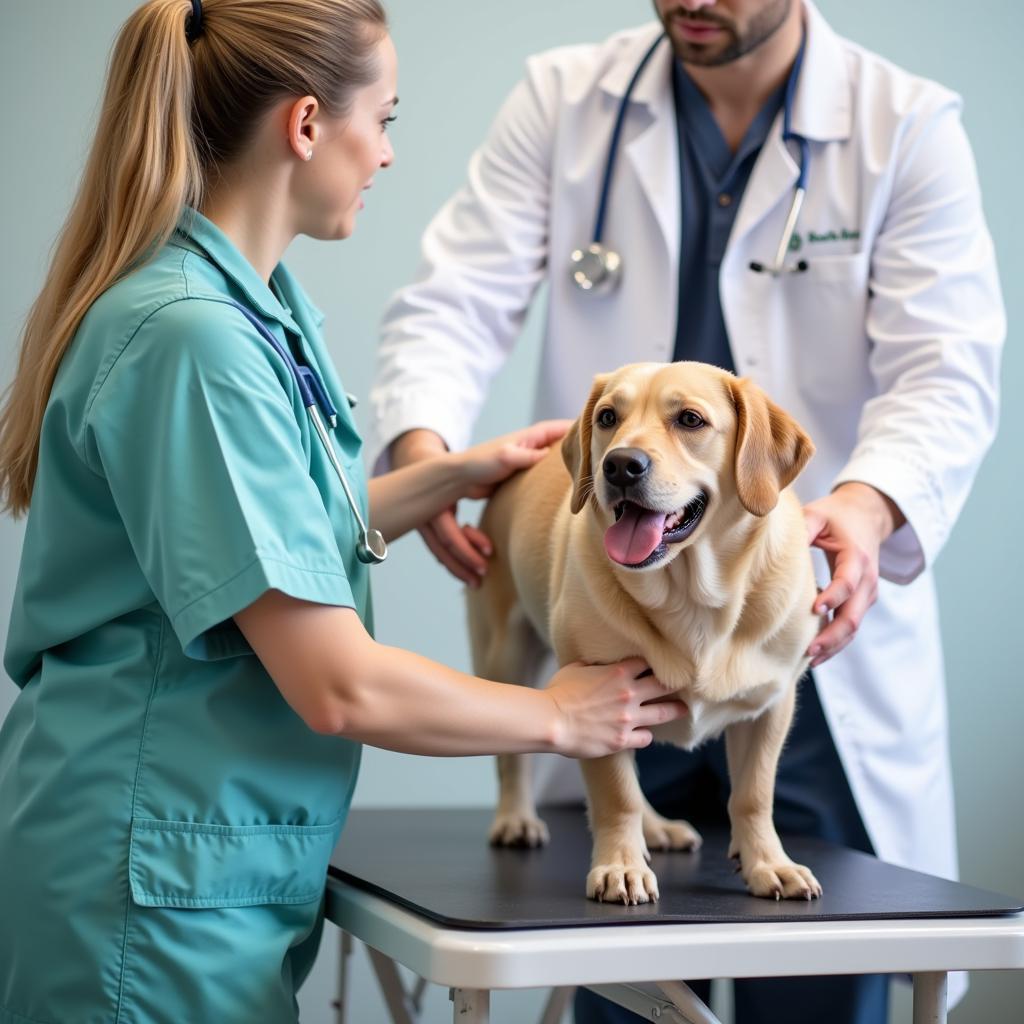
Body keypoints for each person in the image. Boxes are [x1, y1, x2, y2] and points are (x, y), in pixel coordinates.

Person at [0, 2, 689, 1022]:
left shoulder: (253, 310)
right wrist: (560, 715)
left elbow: (256, 540)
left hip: (199, 859)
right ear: (309, 123)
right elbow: (335, 685)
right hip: (146, 880)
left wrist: (450, 476)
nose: (388, 155)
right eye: (388, 119)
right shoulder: (196, 341)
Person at [368, 0, 1005, 1020]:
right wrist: (425, 451)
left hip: (802, 648)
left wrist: (866, 505)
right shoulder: (566, 98)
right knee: (620, 979)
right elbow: (455, 293)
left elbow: (948, 366)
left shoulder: (906, 123)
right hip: (616, 634)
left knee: (819, 985)